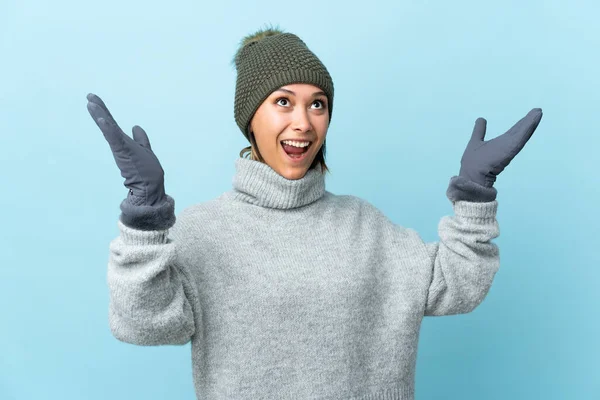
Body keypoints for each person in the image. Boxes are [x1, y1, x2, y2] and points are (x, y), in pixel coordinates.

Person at [86, 26, 542, 400]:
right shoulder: (204, 231)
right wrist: (144, 216)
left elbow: (456, 286)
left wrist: (476, 196)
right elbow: (141, 323)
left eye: (317, 104)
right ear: (250, 119)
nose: (303, 122)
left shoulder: (365, 226)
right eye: (283, 101)